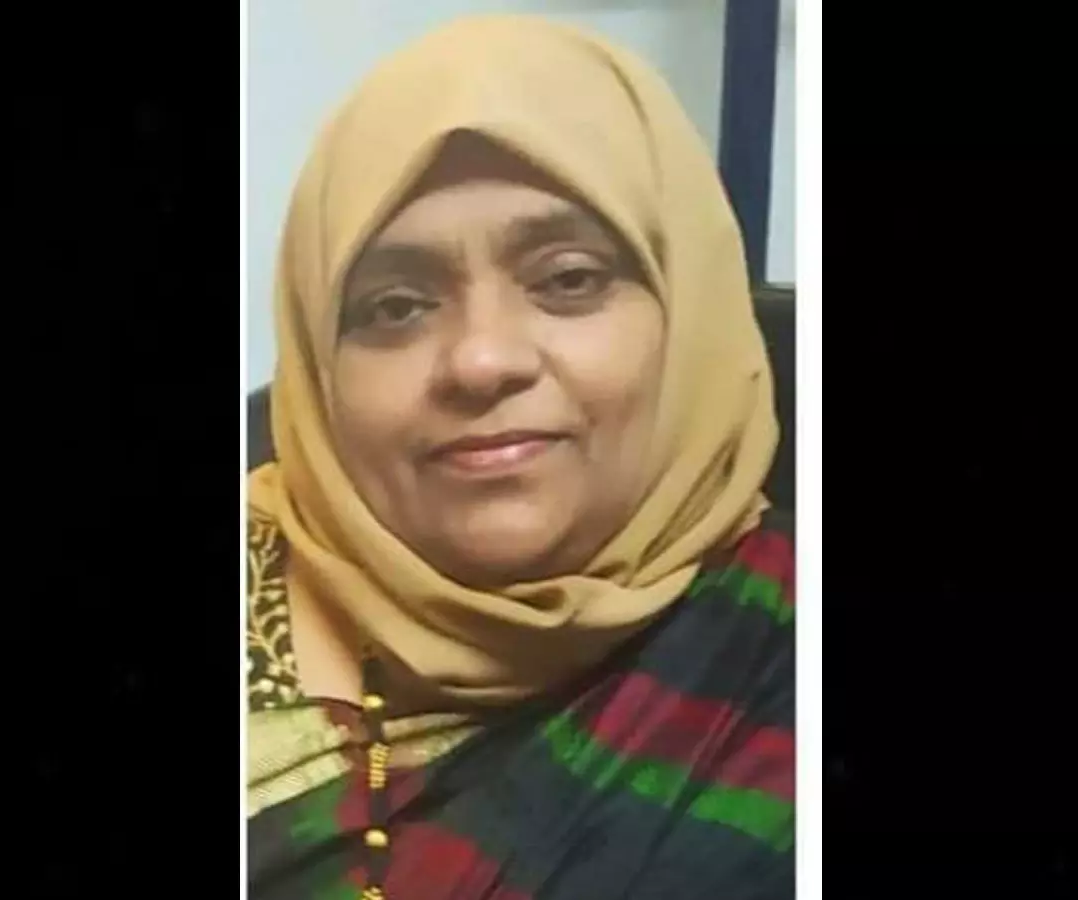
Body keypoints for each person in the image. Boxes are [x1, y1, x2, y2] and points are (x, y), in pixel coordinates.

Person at [246, 15, 794, 899]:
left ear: (691, 317)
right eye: (396, 306)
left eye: (568, 279)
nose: (481, 360)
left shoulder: (780, 654)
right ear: (317, 365)